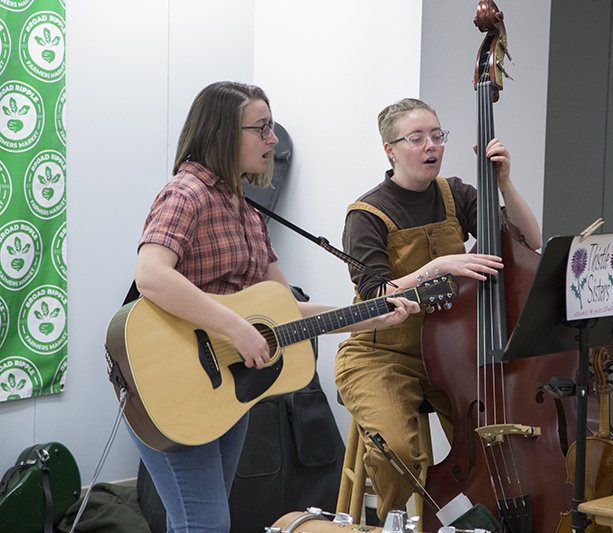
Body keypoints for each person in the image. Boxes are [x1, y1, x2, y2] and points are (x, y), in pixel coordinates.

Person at [131, 81, 419, 533]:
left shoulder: (245, 210)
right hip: (166, 379)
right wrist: (236, 327)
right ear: (225, 133)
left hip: (223, 385)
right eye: (262, 128)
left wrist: (365, 317)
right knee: (205, 523)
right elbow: (150, 274)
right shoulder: (186, 193)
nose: (274, 140)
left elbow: (283, 309)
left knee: (195, 520)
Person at [334, 98, 543, 521]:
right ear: (390, 149)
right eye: (416, 138)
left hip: (449, 356)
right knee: (396, 450)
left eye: (437, 135)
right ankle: (391, 525)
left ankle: (480, 523)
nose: (431, 146)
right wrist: (437, 267)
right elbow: (375, 293)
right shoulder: (366, 214)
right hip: (383, 355)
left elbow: (529, 240)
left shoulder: (456, 193)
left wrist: (504, 183)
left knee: (496, 441)